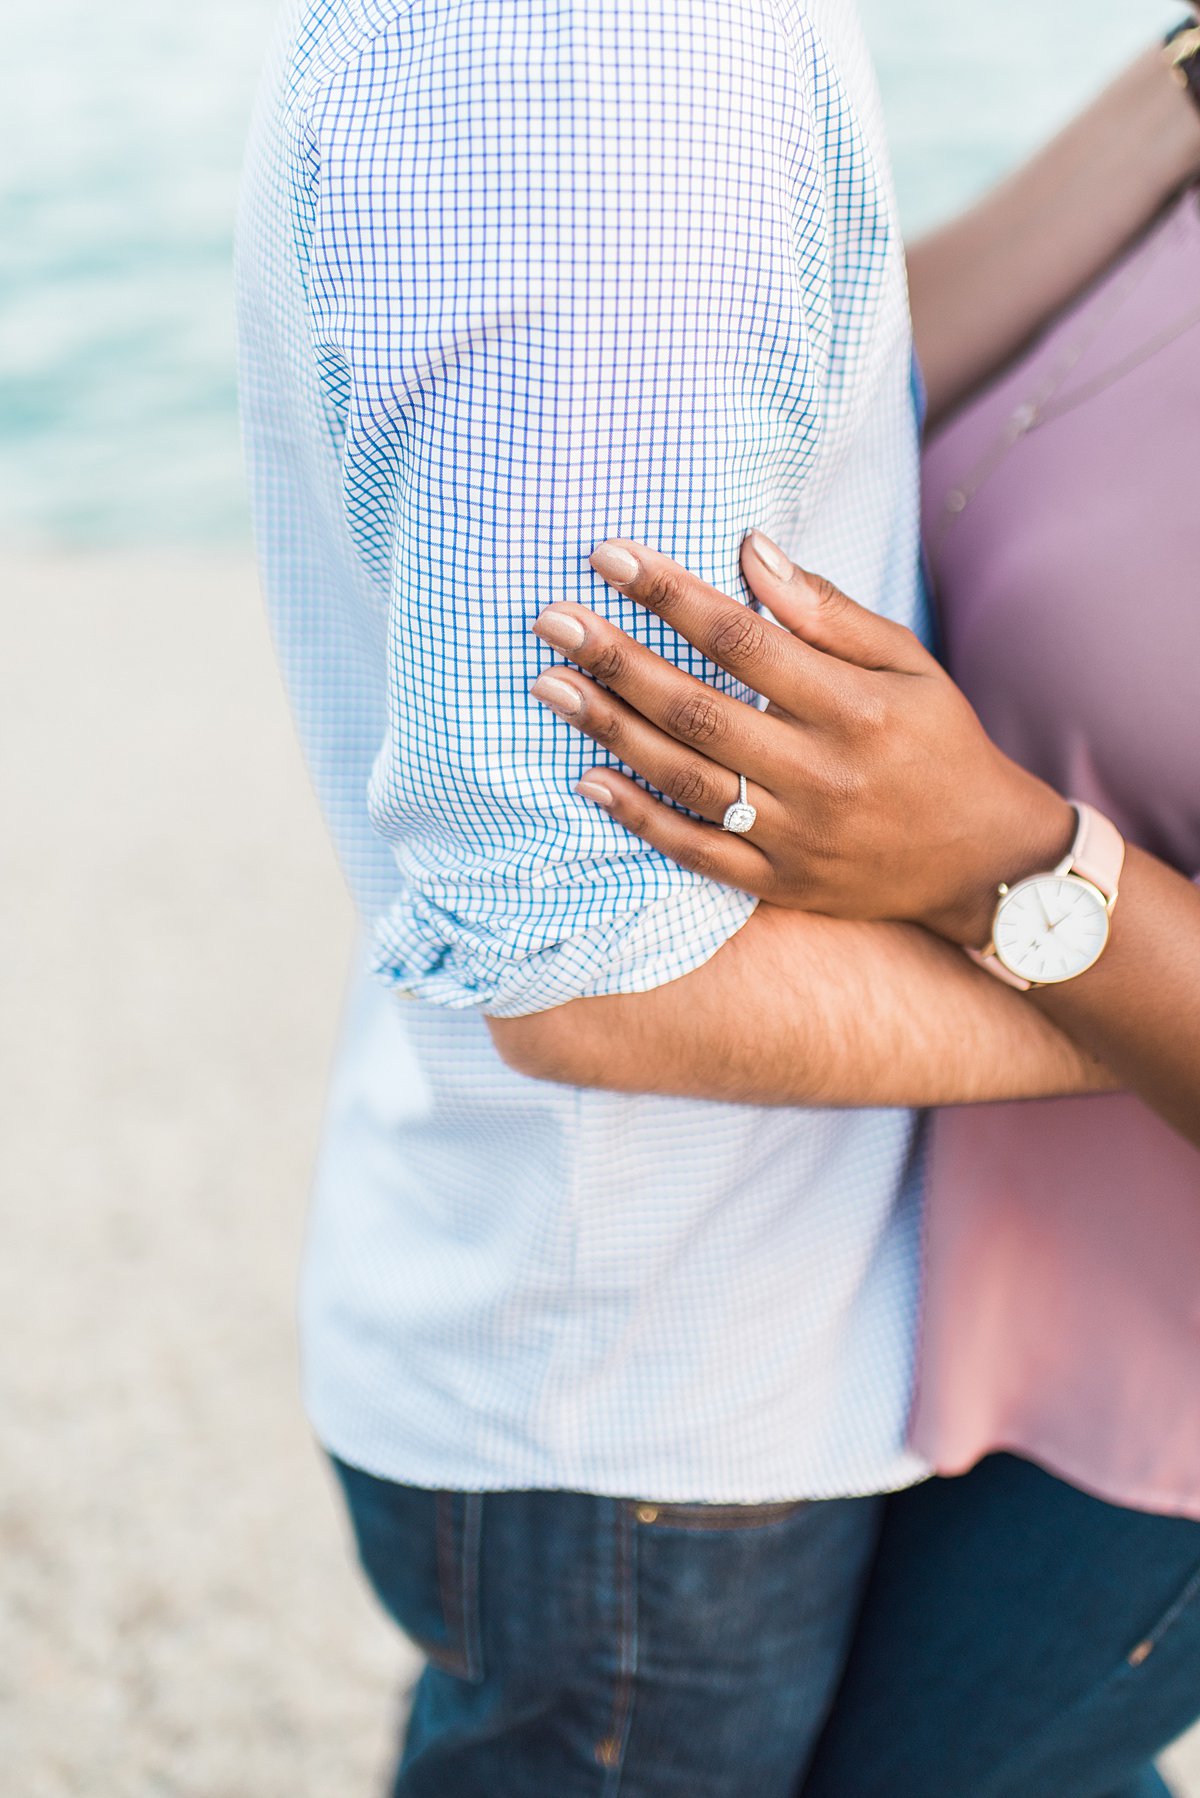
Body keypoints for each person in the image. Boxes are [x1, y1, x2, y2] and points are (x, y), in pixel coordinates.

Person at [236, 3, 1196, 1793]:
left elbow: (810, 385)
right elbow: (597, 976)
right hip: (675, 1354)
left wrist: (1037, 893)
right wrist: (1074, 945)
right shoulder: (604, 60)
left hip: (783, 1333)